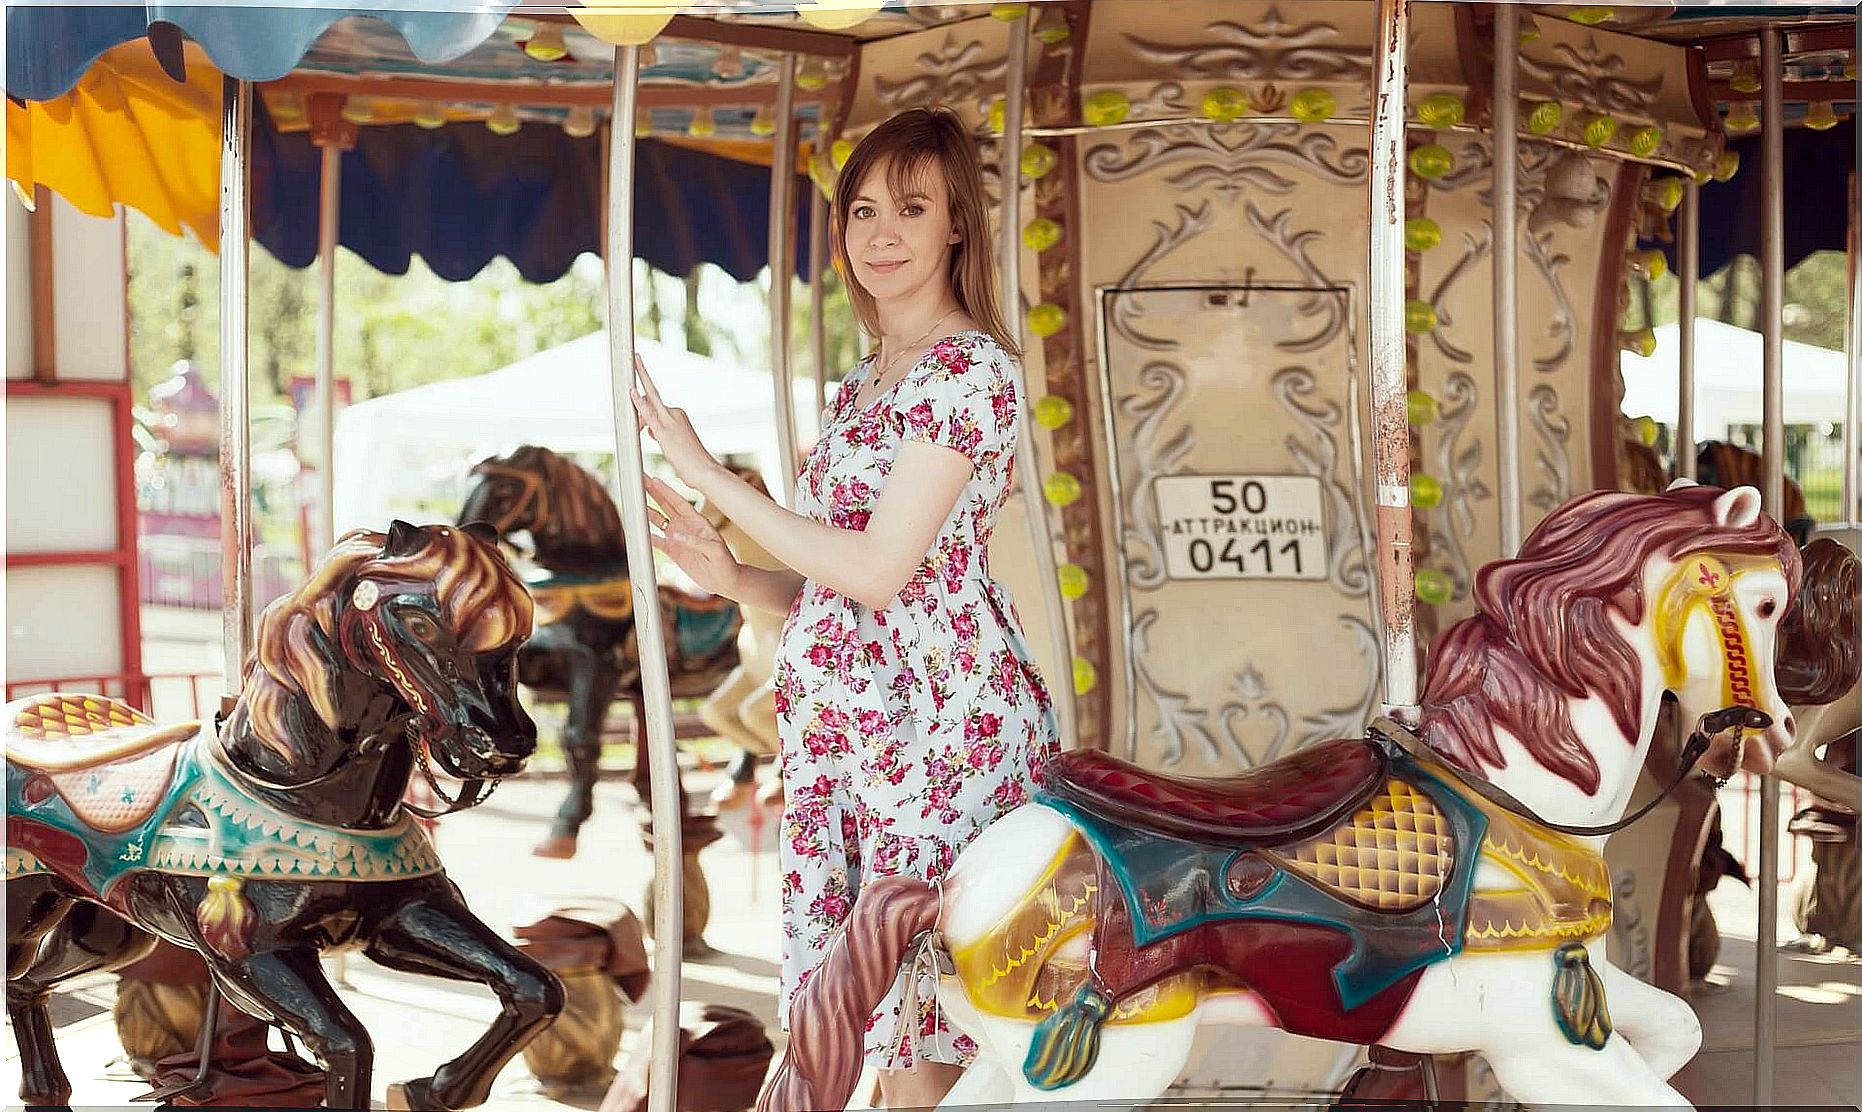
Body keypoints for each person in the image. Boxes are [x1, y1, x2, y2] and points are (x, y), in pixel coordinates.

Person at [630, 105, 1058, 1108]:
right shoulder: (864, 383)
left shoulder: (966, 372)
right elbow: (837, 588)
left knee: (919, 1002)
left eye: (910, 207)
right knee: (864, 1019)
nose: (879, 232)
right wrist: (733, 575)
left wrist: (713, 479)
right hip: (843, 738)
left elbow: (880, 569)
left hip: (936, 725)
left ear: (957, 223)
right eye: (861, 209)